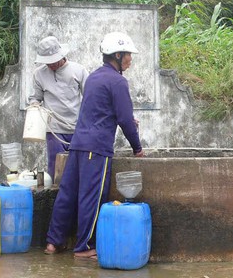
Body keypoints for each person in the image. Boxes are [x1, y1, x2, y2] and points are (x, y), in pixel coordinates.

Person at [44, 32, 145, 259]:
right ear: (117, 55)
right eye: (128, 55)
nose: (130, 59)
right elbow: (125, 120)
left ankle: (53, 242)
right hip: (96, 148)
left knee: (67, 194)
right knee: (91, 196)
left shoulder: (94, 77)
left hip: (78, 144)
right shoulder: (118, 81)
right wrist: (137, 148)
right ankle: (83, 246)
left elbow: (100, 111)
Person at [28, 36, 89, 179]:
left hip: (77, 128)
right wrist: (34, 105)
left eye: (53, 61)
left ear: (61, 55)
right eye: (47, 62)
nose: (51, 65)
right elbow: (35, 98)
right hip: (54, 130)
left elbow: (89, 97)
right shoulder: (39, 74)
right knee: (56, 170)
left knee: (79, 169)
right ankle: (56, 199)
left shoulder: (78, 70)